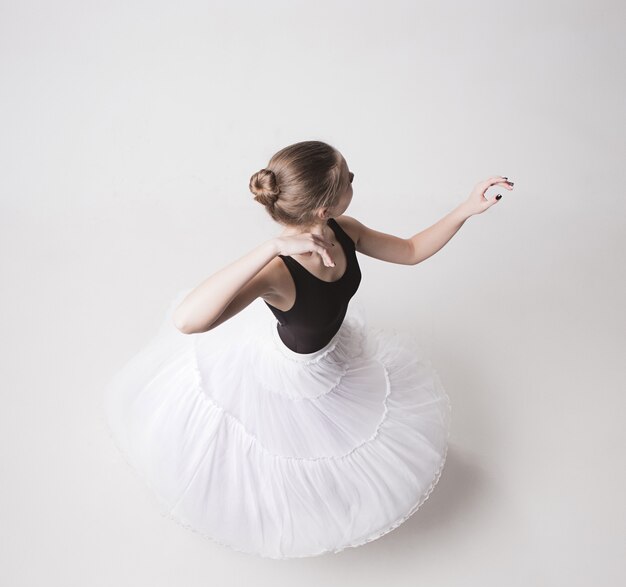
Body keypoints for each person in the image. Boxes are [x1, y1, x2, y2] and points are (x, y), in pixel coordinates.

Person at [104, 140, 514, 559]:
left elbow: (409, 252)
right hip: (290, 375)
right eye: (348, 179)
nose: (354, 180)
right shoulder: (278, 272)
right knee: (287, 457)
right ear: (322, 207)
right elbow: (188, 321)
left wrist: (466, 208)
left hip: (332, 353)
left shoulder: (344, 229)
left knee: (352, 435)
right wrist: (271, 247)